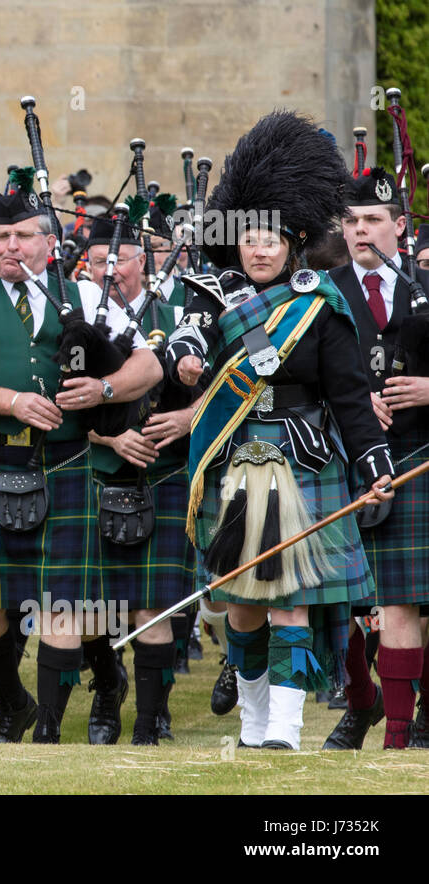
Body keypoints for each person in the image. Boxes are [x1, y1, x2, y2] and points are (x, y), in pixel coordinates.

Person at [167, 111, 394, 750]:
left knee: (293, 598)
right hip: (234, 456)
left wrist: (375, 465)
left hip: (305, 460)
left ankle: (286, 732)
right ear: (236, 243)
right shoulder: (215, 299)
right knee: (243, 606)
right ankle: (252, 718)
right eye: (250, 240)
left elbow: (350, 398)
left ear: (294, 243)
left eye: (272, 240)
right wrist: (184, 358)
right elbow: (186, 343)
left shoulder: (320, 304)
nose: (260, 250)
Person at [0, 185, 161, 743]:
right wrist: (10, 401)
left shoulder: (84, 296)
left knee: (64, 605)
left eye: (22, 236)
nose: (9, 246)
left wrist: (104, 388)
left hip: (66, 461)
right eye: (1, 237)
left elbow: (149, 365)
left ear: (48, 242)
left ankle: (49, 731)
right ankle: (14, 704)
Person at [321, 166, 429, 749]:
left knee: (404, 598)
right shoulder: (321, 291)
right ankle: (362, 705)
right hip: (346, 458)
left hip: (422, 454)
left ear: (399, 225)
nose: (361, 232)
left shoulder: (427, 285)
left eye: (373, 221)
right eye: (353, 221)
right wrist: (352, 402)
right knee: (344, 601)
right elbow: (294, 374)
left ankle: (405, 731)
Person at [84, 208, 200, 744]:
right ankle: (107, 693)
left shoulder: (185, 309)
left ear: (144, 260)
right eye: (99, 260)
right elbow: (58, 405)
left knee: (156, 602)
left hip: (169, 471)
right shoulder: (83, 317)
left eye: (120, 259)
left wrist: (186, 418)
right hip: (95, 470)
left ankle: (152, 720)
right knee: (90, 605)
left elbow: (233, 387)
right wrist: (110, 437)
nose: (110, 269)